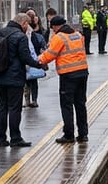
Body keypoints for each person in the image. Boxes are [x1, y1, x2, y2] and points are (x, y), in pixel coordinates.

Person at [37, 16, 89, 144]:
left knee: (67, 105)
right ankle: (83, 134)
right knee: (80, 104)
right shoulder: (77, 35)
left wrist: (38, 60)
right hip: (82, 72)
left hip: (68, 75)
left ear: (55, 26)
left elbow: (50, 54)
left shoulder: (59, 37)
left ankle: (69, 135)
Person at [0, 14, 40, 148]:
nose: (28, 27)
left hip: (0, 76)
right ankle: (15, 138)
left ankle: (1, 139)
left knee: (2, 107)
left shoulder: (0, 33)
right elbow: (25, 57)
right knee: (14, 108)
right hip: (14, 77)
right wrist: (39, 64)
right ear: (24, 23)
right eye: (28, 24)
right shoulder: (20, 36)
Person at [25, 15, 47, 108]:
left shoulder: (30, 35)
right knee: (30, 82)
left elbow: (41, 47)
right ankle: (31, 101)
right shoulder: (33, 35)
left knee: (30, 81)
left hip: (32, 61)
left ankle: (30, 101)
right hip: (32, 61)